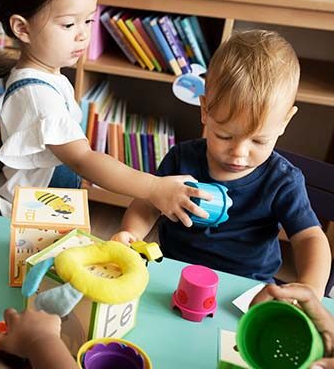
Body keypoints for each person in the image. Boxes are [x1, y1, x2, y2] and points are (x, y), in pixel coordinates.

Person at [0, 0, 211, 224]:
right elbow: (83, 159)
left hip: (43, 209)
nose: (83, 34)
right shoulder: (38, 95)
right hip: (21, 222)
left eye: (88, 21)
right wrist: (154, 188)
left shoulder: (44, 77)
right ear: (22, 28)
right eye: (68, 24)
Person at [112, 30, 331, 298]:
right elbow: (147, 204)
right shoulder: (182, 158)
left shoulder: (282, 180)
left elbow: (309, 237)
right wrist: (130, 233)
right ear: (205, 110)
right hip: (172, 274)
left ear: (285, 121)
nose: (239, 153)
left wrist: (311, 286)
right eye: (224, 135)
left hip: (245, 289)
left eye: (259, 141)